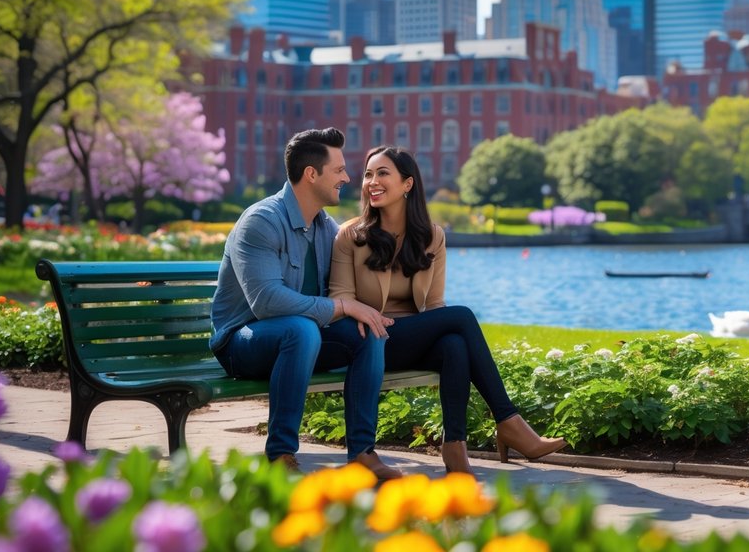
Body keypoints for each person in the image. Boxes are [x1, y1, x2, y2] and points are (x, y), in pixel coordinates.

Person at [330, 145, 567, 476]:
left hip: (409, 339)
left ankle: (455, 448)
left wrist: (428, 331)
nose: (372, 181)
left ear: (408, 184)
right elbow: (340, 298)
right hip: (369, 340)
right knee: (462, 317)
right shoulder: (351, 235)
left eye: (383, 173)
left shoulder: (432, 237)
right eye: (368, 174)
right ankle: (508, 421)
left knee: (454, 344)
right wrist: (366, 315)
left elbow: (434, 307)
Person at [210, 128, 401, 479]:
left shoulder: (326, 229)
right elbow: (266, 301)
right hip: (242, 344)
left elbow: (347, 288)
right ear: (311, 174)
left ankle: (362, 453)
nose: (347, 178)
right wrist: (343, 308)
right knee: (301, 329)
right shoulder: (261, 222)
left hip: (303, 339)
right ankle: (281, 454)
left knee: (368, 332)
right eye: (339, 170)